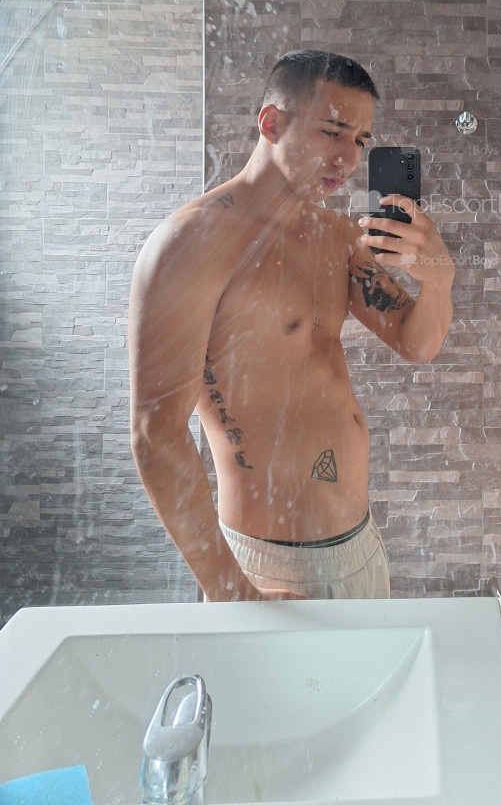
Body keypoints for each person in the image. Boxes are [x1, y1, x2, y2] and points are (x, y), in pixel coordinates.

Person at [128, 50, 454, 601]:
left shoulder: (338, 237)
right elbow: (154, 433)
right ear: (271, 123)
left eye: (361, 141)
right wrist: (235, 594)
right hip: (267, 567)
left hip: (360, 546)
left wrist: (439, 280)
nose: (348, 158)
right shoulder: (191, 244)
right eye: (333, 132)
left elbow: (416, 343)